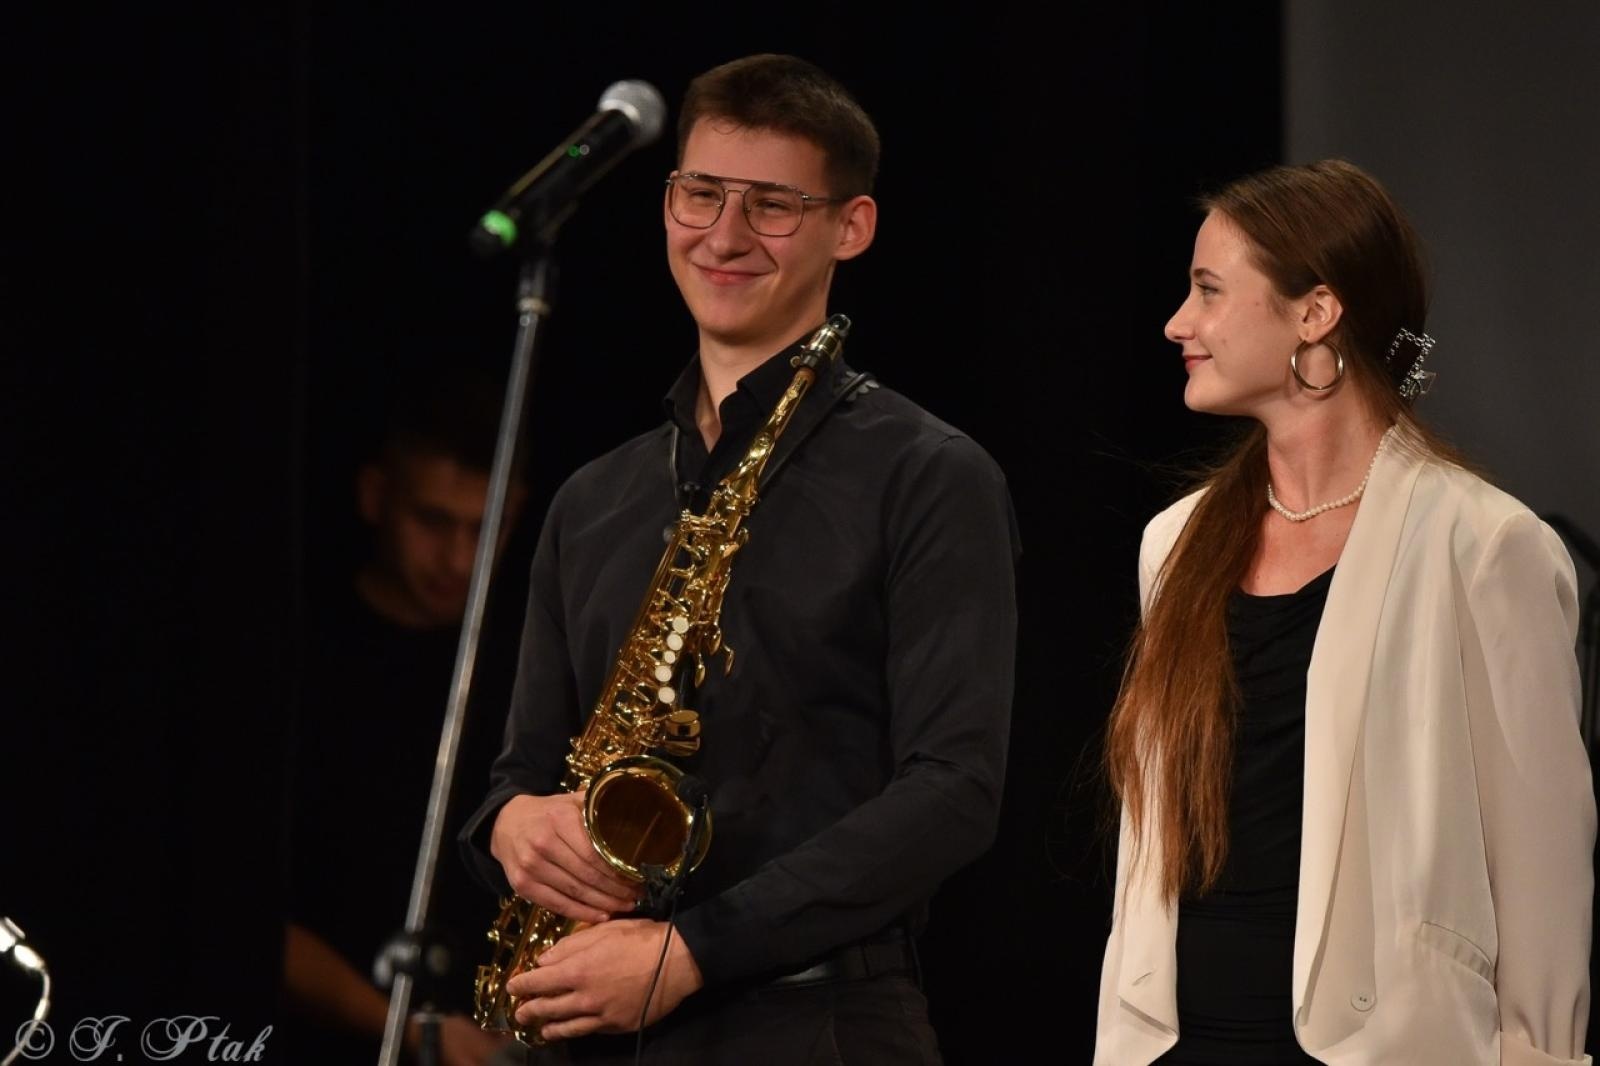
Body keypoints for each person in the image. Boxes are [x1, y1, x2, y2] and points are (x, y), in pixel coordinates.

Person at [457, 53, 1019, 1064]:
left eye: (771, 205)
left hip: (817, 1026)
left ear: (851, 226)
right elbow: (516, 773)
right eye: (701, 193)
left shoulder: (929, 472)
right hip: (583, 1026)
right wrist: (507, 829)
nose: (723, 234)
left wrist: (694, 949)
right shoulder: (593, 498)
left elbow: (955, 789)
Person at [1094, 159, 1595, 1065]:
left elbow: (1544, 867)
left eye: (1208, 290)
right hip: (1181, 1042)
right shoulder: (1176, 543)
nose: (1179, 323)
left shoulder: (1482, 544)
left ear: (1315, 312)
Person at [282, 362, 525, 1065]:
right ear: (374, 495)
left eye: (487, 527)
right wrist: (412, 1031)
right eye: (432, 520)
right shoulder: (299, 660)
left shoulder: (533, 667)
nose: (458, 557)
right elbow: (237, 911)